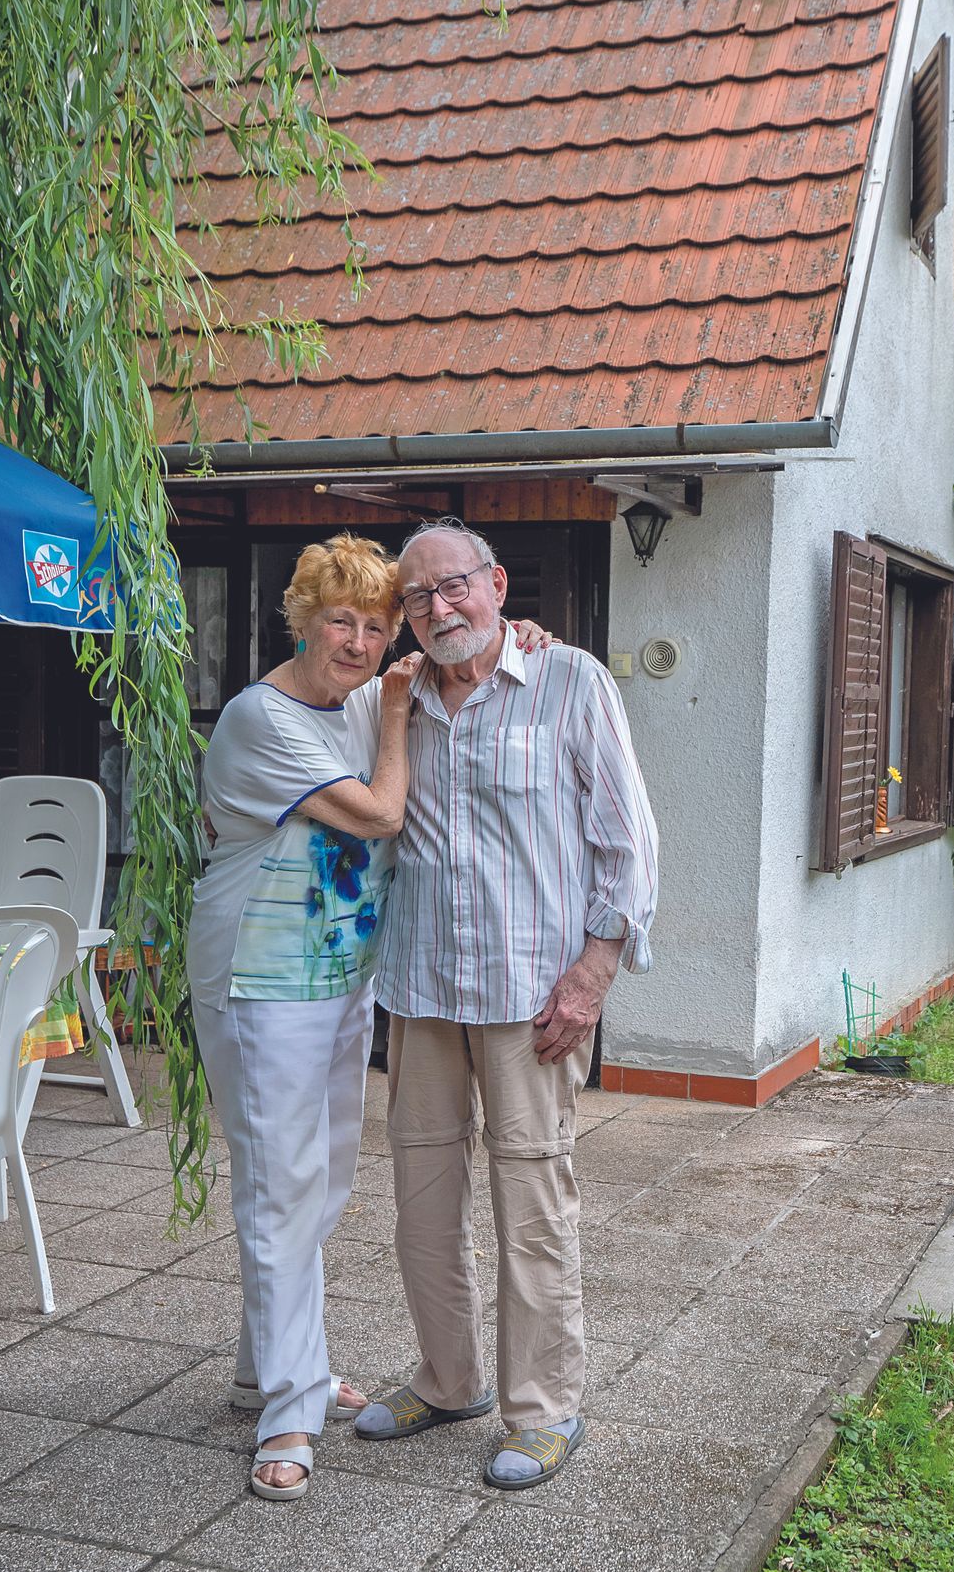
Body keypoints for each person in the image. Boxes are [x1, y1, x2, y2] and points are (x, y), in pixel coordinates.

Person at [355, 518, 658, 1490]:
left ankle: (544, 1407)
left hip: (533, 995)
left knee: (533, 1201)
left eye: (455, 588)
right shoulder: (393, 699)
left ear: (496, 584)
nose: (438, 608)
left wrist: (594, 973)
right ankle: (449, 1378)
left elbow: (627, 841)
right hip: (421, 987)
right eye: (417, 596)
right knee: (422, 1200)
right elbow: (313, 701)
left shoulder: (570, 681)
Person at [187, 533, 413, 1499]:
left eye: (375, 625)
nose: (358, 643)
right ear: (302, 619)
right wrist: (397, 718)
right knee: (280, 1187)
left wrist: (509, 629)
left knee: (317, 1186)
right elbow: (375, 815)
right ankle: (289, 1411)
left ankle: (268, 1369)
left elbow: (443, 665)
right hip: (261, 978)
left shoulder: (355, 697)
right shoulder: (260, 717)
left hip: (336, 977)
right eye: (340, 621)